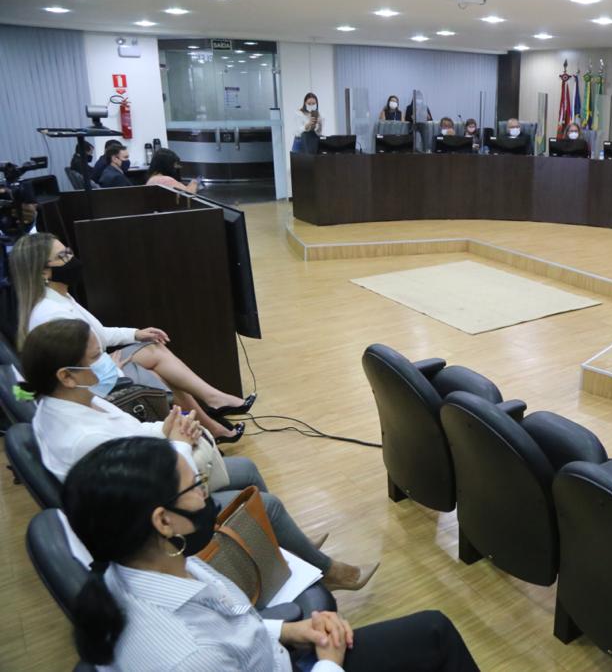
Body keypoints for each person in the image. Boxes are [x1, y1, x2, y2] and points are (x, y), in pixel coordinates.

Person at [20, 319, 379, 593]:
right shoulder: (79, 436)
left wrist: (165, 430)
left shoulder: (74, 399)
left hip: (146, 480)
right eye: (96, 358)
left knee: (246, 468)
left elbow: (128, 436)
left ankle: (278, 546)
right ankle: (329, 573)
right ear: (66, 375)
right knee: (266, 505)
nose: (107, 364)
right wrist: (177, 444)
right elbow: (162, 492)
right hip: (149, 520)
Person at [62, 437, 478, 671]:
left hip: (272, 657)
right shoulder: (187, 658)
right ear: (163, 521)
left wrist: (290, 632)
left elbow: (232, 626)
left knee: (431, 630)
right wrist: (329, 663)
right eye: (196, 487)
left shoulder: (147, 565)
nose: (207, 495)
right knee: (434, 635)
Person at [11, 232, 253, 442]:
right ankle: (213, 416)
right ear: (43, 271)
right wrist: (110, 368)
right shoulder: (50, 313)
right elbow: (72, 371)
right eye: (63, 257)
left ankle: (212, 422)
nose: (71, 260)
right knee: (158, 371)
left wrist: (136, 333)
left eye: (69, 252)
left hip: (97, 369)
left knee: (152, 347)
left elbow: (98, 335)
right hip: (92, 384)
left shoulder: (60, 296)